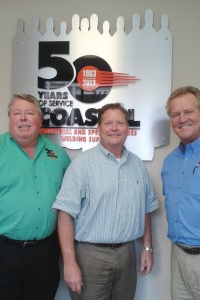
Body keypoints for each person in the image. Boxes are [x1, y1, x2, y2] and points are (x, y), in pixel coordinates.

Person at [53, 102, 159, 300]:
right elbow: (65, 214)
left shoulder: (137, 165)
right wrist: (69, 262)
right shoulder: (82, 165)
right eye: (108, 123)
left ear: (128, 128)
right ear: (98, 128)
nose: (114, 128)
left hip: (128, 254)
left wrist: (147, 248)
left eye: (120, 123)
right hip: (90, 257)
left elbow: (146, 208)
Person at [0, 94, 71, 300]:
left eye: (29, 113)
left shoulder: (59, 156)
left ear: (40, 120)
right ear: (9, 118)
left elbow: (69, 205)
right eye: (17, 113)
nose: (23, 118)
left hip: (44, 255)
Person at [161, 86, 200, 300]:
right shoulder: (170, 161)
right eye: (175, 114)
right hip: (178, 257)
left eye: (189, 112)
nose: (182, 119)